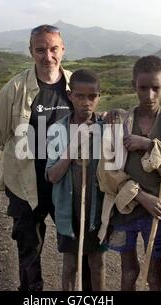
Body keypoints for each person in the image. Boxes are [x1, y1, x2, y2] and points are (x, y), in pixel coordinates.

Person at [0, 24, 108, 291]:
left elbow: (91, 118)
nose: (48, 56)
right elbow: (1, 135)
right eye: (41, 50)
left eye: (53, 49)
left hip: (68, 181)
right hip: (25, 182)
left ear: (63, 50)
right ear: (31, 51)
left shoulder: (75, 84)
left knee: (80, 245)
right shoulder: (14, 89)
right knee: (29, 248)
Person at [97, 56, 161, 291]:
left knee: (154, 274)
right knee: (128, 271)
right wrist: (139, 195)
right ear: (134, 86)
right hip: (125, 209)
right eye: (143, 88)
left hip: (158, 213)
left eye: (155, 88)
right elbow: (107, 170)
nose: (149, 95)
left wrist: (150, 145)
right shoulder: (119, 123)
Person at [46, 69, 106, 291]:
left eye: (92, 97)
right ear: (70, 95)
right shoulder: (57, 130)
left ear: (99, 97)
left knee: (97, 263)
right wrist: (73, 146)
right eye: (80, 96)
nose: (86, 103)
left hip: (96, 212)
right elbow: (52, 175)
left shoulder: (105, 129)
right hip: (68, 211)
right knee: (70, 264)